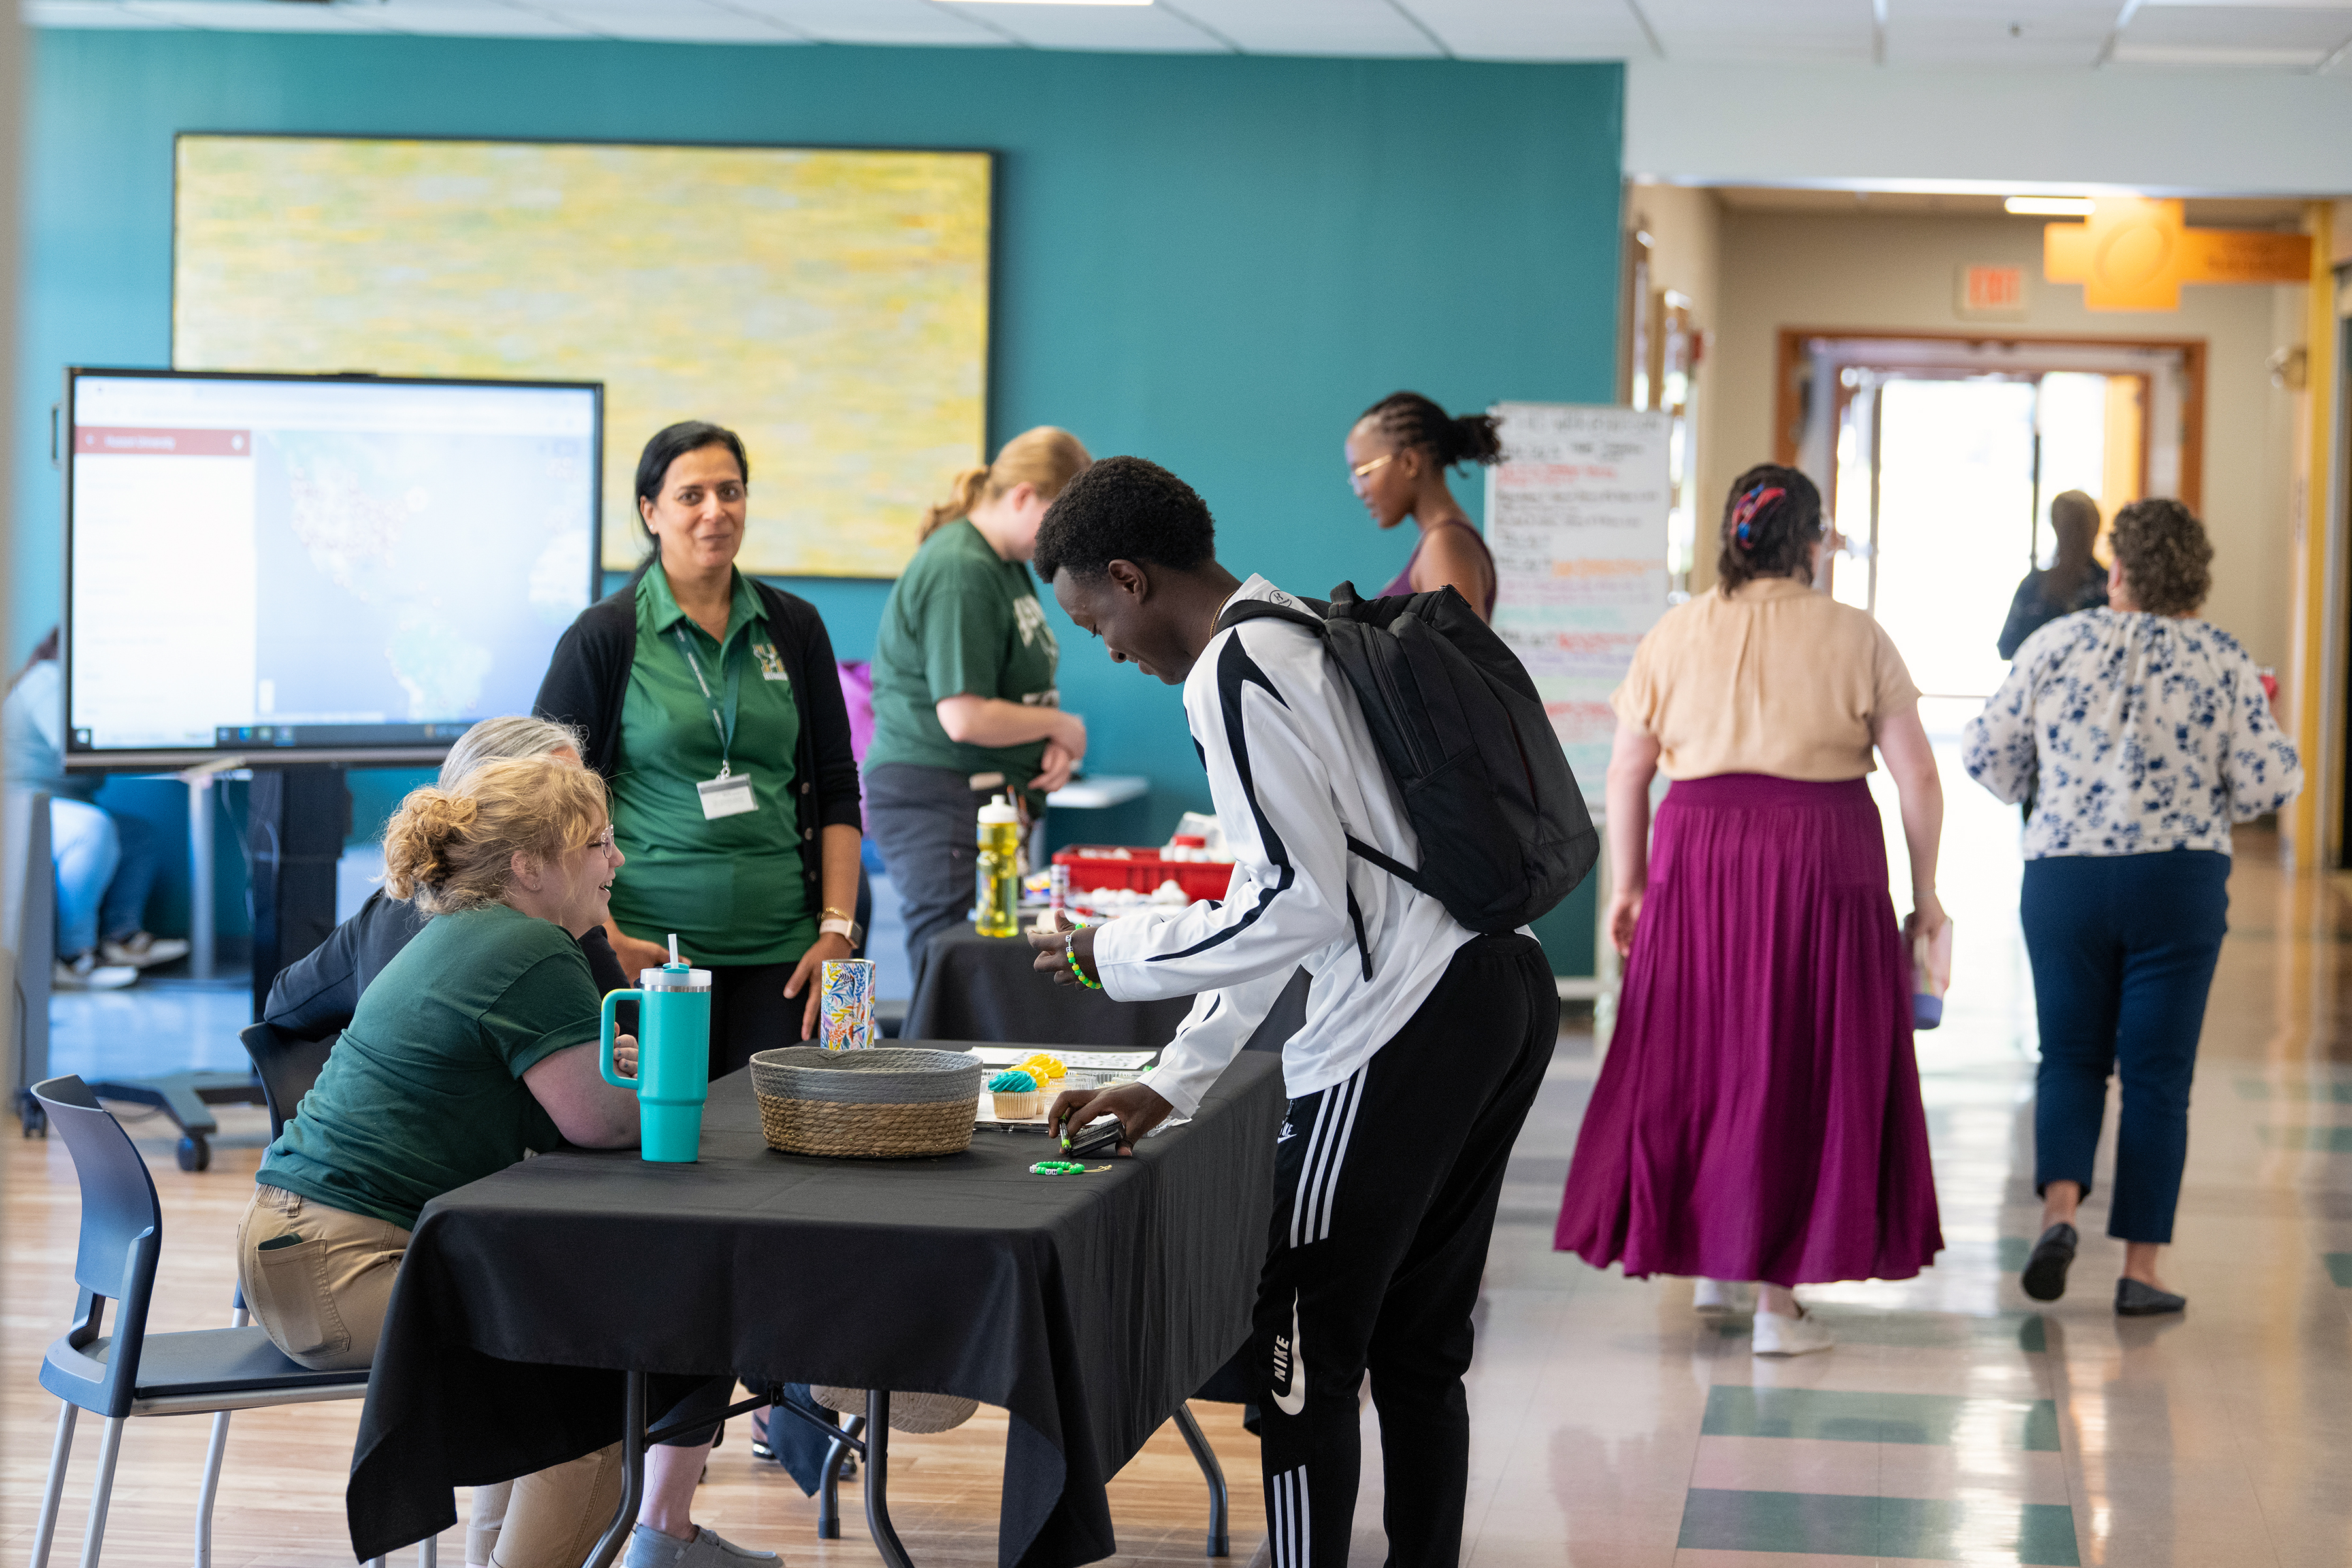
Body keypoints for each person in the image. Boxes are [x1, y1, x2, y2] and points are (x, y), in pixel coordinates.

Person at [1024, 457, 1558, 1568]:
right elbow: (1301, 892)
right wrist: (1174, 1078)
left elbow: (1295, 905)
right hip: (1498, 986)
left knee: (1302, 1351)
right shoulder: (1297, 625)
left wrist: (1106, 950)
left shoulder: (1231, 672)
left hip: (1399, 1023)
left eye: (1098, 624)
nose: (1110, 651)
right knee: (1419, 1349)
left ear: (1129, 576)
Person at [237, 755, 776, 1568]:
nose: (615, 861)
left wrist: (607, 1074)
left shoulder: (463, 931)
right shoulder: (531, 947)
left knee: (553, 1357)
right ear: (530, 865)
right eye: (597, 844)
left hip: (296, 1251)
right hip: (342, 1270)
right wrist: (664, 1079)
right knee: (603, 1380)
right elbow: (598, 1121)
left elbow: (559, 1105)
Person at [1552, 465, 1946, 1354]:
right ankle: (1777, 1301)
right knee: (1807, 1053)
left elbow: (1627, 770)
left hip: (1700, 854)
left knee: (1705, 1049)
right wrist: (1927, 898)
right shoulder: (1857, 635)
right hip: (1823, 851)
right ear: (1810, 543)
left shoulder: (1675, 631)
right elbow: (1916, 772)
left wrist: (1630, 885)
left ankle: (1714, 1271)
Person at [1963, 498, 2300, 1317]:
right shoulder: (2224, 659)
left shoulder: (2053, 645)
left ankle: (2059, 1214)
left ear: (2118, 571)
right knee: (2158, 1076)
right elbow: (2267, 784)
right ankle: (2141, 1270)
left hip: (2066, 879)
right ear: (2195, 578)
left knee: (2071, 1055)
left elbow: (1985, 754)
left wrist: (2043, 795)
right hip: (2177, 883)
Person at [536, 421, 864, 1073]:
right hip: (648, 953)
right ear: (651, 511)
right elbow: (544, 800)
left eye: (731, 491)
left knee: (787, 1149)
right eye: (692, 496)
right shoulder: (604, 635)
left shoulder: (795, 626)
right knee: (658, 1146)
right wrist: (604, 939)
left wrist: (839, 932)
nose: (716, 511)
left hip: (787, 956)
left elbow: (836, 785)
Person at [865, 427, 1093, 966]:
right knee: (954, 960)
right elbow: (964, 716)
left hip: (982, 797)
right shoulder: (961, 570)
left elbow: (1015, 693)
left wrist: (1045, 735)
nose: (1068, 543)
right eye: (1062, 522)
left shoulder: (1006, 566)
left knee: (982, 960)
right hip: (939, 795)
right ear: (1022, 497)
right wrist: (1061, 728)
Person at [265, 716, 629, 1037]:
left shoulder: (390, 906)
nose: (581, 803)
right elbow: (639, 1052)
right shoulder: (555, 922)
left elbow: (282, 1006)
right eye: (560, 793)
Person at [1, 629, 189, 988]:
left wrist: (178, 762)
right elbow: (78, 747)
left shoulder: (78, 691)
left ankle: (120, 937)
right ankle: (75, 957)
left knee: (137, 834)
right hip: (20, 803)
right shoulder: (46, 680)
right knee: (93, 829)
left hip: (58, 804)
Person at [1345, 391, 1503, 619]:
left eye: (1364, 473)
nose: (1359, 491)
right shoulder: (1443, 541)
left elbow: (1459, 653)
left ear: (1410, 462)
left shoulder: (1444, 545)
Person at [1998, 489, 2110, 659]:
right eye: (2068, 527)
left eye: (2079, 527)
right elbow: (2007, 647)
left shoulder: (2110, 589)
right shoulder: (2035, 585)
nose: (2075, 536)